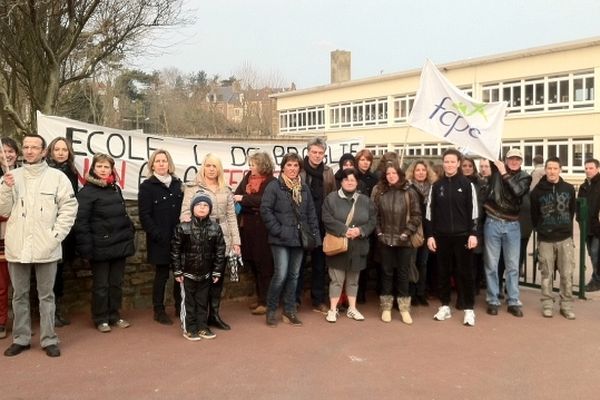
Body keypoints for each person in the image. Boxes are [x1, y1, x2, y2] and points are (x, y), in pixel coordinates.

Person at [0, 134, 77, 357]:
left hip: (47, 247)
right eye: (26, 147)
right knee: (19, 295)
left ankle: (49, 338)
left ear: (44, 151)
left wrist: (55, 236)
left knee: (47, 296)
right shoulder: (10, 176)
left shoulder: (57, 178)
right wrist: (5, 187)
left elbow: (69, 209)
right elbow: (3, 211)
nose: (30, 151)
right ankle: (21, 338)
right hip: (18, 245)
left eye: (35, 147)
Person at [74, 153, 135, 333]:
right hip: (99, 246)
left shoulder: (115, 189)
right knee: (101, 285)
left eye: (106, 167)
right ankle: (100, 318)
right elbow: (81, 222)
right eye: (99, 166)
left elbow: (123, 213)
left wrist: (129, 230)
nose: (103, 169)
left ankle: (114, 315)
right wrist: (86, 249)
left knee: (116, 283)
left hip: (119, 245)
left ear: (111, 169)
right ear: (93, 168)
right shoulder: (87, 192)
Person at [181, 153, 240, 330]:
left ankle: (214, 314)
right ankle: (199, 318)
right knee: (201, 281)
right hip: (200, 239)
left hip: (223, 238)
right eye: (208, 165)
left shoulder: (226, 189)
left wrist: (236, 242)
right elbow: (184, 213)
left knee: (217, 278)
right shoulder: (192, 188)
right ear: (203, 167)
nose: (211, 169)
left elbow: (231, 217)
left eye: (215, 166)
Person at [261, 153, 320, 327]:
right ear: (283, 167)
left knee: (294, 276)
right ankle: (271, 310)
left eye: (296, 166)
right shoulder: (274, 186)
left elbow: (310, 214)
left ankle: (289, 310)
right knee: (281, 274)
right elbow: (266, 210)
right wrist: (278, 230)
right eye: (289, 165)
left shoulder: (304, 188)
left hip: (299, 238)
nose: (293, 169)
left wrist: (315, 236)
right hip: (280, 239)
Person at [426, 149, 479, 326]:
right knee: (443, 272)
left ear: (458, 163)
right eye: (446, 161)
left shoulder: (466, 184)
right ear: (443, 163)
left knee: (465, 273)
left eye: (452, 161)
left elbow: (474, 211)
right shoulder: (436, 186)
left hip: (463, 236)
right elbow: (430, 213)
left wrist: (473, 233)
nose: (449, 164)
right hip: (441, 236)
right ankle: (444, 306)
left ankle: (469, 309)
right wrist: (430, 236)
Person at [321, 168, 376, 323]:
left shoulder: (365, 200)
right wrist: (344, 230)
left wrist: (361, 230)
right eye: (346, 179)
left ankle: (352, 308)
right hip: (338, 245)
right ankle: (333, 309)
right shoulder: (331, 199)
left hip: (358, 246)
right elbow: (326, 218)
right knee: (336, 280)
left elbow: (372, 220)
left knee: (353, 280)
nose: (350, 182)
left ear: (357, 181)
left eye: (353, 179)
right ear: (341, 181)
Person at [483, 148, 532, 317]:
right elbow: (490, 148)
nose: (514, 161)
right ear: (505, 159)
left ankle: (513, 300)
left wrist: (504, 173)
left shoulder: (525, 176)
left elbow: (517, 191)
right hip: (493, 221)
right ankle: (493, 299)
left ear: (521, 160)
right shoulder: (496, 169)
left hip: (512, 224)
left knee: (512, 266)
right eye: (511, 158)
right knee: (491, 264)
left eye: (518, 158)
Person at [172, 194, 226, 341]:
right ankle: (189, 328)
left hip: (206, 273)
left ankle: (202, 327)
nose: (202, 208)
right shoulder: (182, 227)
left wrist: (216, 271)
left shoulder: (216, 228)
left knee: (203, 301)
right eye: (199, 205)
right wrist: (177, 270)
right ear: (192, 208)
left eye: (205, 205)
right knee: (189, 302)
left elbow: (220, 251)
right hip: (187, 273)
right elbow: (175, 250)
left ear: (210, 209)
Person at [138, 149, 183, 325]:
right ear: (152, 165)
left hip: (179, 238)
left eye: (164, 161)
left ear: (169, 164)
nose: (161, 164)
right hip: (160, 239)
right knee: (162, 275)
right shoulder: (147, 187)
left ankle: (180, 307)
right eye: (158, 161)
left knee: (180, 274)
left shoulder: (178, 184)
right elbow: (144, 215)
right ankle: (159, 310)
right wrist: (157, 234)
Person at [372, 162, 421, 324]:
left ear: (399, 174)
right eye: (388, 174)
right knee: (386, 273)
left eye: (393, 173)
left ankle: (404, 309)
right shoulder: (381, 193)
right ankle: (386, 307)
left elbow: (416, 216)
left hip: (404, 241)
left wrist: (407, 233)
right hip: (385, 240)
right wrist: (379, 233)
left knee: (403, 274)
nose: (391, 176)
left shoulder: (409, 192)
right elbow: (376, 216)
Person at [530, 157, 576, 319]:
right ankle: (547, 304)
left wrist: (563, 227)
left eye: (555, 168)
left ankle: (566, 305)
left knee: (566, 273)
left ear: (560, 169)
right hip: (545, 239)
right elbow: (534, 215)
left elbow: (571, 211)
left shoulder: (569, 188)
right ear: (545, 170)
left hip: (565, 238)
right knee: (546, 273)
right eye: (549, 168)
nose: (551, 171)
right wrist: (543, 228)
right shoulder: (537, 191)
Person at [233, 152, 276, 315]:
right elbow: (236, 195)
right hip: (247, 227)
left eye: (254, 164)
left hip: (263, 229)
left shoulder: (271, 182)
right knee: (252, 263)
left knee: (264, 265)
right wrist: (246, 201)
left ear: (263, 165)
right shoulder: (247, 178)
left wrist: (244, 200)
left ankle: (266, 302)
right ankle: (260, 298)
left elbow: (265, 201)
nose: (251, 167)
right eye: (250, 164)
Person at [298, 137, 335, 313]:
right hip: (302, 223)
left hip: (322, 223)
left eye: (321, 153)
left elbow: (333, 197)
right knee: (298, 263)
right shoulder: (299, 170)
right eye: (314, 152)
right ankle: (295, 299)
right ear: (308, 152)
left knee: (320, 264)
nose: (317, 155)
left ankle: (318, 299)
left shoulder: (328, 172)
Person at [46, 137, 79, 327]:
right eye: (57, 149)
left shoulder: (72, 173)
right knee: (46, 273)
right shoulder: (45, 172)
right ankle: (47, 313)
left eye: (64, 150)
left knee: (59, 272)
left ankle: (56, 310)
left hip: (66, 231)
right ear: (50, 151)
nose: (60, 153)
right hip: (47, 229)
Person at [405, 159, 438, 307]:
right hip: (413, 230)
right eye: (417, 170)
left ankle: (420, 293)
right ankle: (411, 293)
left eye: (423, 170)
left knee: (423, 263)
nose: (420, 172)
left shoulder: (433, 188)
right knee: (411, 262)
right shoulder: (407, 188)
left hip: (428, 230)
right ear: (413, 172)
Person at [0, 136, 20, 340]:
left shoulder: (23, 173)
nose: (7, 155)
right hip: (2, 235)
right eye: (3, 151)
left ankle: (21, 322)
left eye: (10, 151)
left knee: (20, 284)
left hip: (20, 235)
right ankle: (1, 321)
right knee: (2, 284)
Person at [354, 149, 378, 304]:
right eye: (362, 159)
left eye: (368, 160)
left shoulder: (375, 178)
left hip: (370, 221)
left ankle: (362, 291)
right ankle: (354, 292)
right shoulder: (353, 177)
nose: (365, 162)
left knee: (367, 259)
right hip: (356, 220)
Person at [577, 158, 600, 292]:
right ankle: (597, 278)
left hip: (597, 227)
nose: (588, 171)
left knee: (596, 253)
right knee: (592, 254)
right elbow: (579, 206)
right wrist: (580, 220)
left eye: (591, 168)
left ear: (597, 169)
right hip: (586, 227)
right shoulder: (584, 186)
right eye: (586, 168)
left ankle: (596, 280)